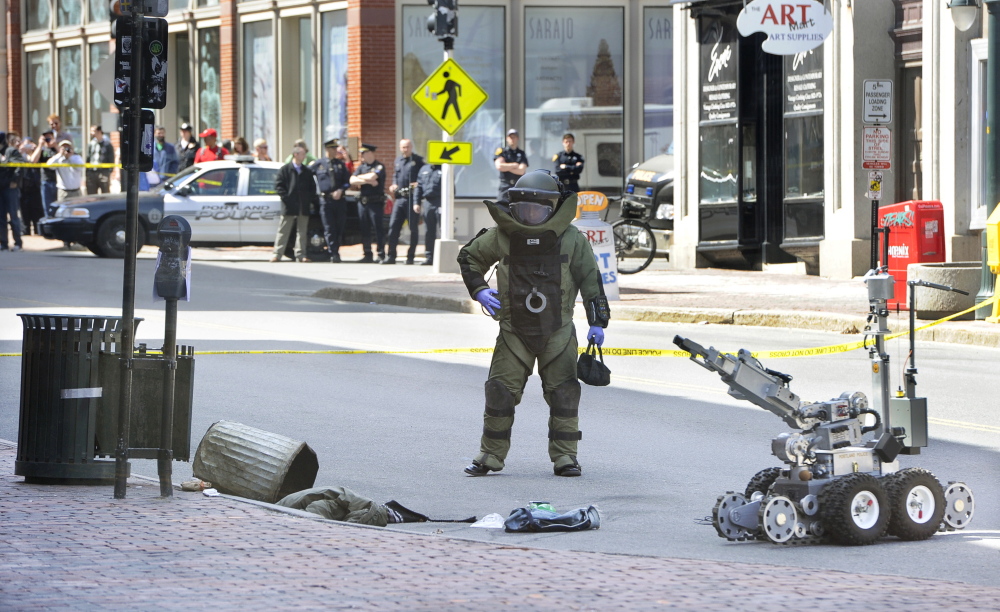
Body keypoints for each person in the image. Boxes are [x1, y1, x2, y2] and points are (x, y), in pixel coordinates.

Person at [458, 170, 609, 478]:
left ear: (552, 208)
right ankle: (490, 455)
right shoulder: (502, 234)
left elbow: (590, 279)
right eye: (524, 210)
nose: (530, 216)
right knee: (499, 392)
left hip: (559, 332)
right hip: (514, 331)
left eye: (537, 210)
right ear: (514, 207)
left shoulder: (571, 239)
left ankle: (566, 457)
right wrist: (481, 290)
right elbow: (469, 258)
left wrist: (598, 321)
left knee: (565, 394)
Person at [270, 145, 317, 263]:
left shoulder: (306, 171)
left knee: (302, 231)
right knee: (284, 230)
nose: (304, 156)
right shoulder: (285, 169)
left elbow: (312, 188)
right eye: (302, 154)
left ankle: (301, 254)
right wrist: (287, 198)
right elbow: (279, 186)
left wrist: (309, 200)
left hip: (303, 205)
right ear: (295, 155)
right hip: (289, 205)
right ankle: (277, 254)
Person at [309, 139, 352, 263]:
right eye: (333, 149)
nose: (335, 151)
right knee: (329, 227)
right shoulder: (319, 164)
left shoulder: (340, 164)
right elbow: (306, 175)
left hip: (339, 201)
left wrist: (341, 190)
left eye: (336, 148)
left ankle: (336, 249)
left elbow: (347, 181)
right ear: (327, 149)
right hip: (325, 200)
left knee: (339, 227)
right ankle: (333, 253)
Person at [385, 139, 425, 265]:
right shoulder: (398, 161)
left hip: (412, 198)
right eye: (402, 147)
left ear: (411, 147)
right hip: (400, 198)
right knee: (393, 227)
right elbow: (395, 176)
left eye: (407, 147)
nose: (405, 149)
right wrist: (393, 185)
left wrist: (419, 183)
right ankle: (391, 256)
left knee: (413, 228)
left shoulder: (418, 160)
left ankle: (410, 257)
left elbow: (424, 176)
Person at [349, 143, 387, 263]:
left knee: (377, 229)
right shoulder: (361, 167)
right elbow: (352, 180)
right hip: (363, 202)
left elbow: (373, 176)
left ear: (370, 153)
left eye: (363, 153)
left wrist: (362, 179)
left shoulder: (379, 166)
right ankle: (367, 254)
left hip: (375, 202)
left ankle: (381, 254)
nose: (361, 156)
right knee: (364, 229)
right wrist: (369, 181)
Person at [0, 132, 25, 252]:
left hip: (10, 188)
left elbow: (20, 164)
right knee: (1, 217)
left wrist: (15, 180)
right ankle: (3, 243)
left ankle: (18, 242)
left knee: (13, 216)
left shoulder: (10, 151)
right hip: (0, 188)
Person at [413, 163, 442, 266]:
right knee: (429, 231)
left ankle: (442, 258)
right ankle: (430, 257)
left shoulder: (445, 168)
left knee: (444, 230)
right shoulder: (424, 168)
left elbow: (451, 188)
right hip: (428, 202)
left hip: (441, 201)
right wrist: (416, 202)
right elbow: (419, 186)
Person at [18, 138, 44, 235]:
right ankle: (26, 230)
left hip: (35, 187)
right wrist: (21, 150)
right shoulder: (20, 155)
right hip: (23, 187)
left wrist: (38, 147)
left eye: (29, 144)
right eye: (26, 145)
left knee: (37, 210)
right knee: (24, 211)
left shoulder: (38, 153)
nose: (28, 147)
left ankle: (38, 230)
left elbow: (33, 160)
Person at [30, 130, 59, 216]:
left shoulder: (57, 148)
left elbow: (65, 156)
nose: (48, 140)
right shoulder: (42, 150)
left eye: (49, 137)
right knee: (47, 208)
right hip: (45, 181)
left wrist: (55, 145)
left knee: (58, 207)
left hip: (58, 182)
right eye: (45, 138)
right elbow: (33, 161)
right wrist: (40, 145)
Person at [494, 128, 528, 200]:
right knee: (501, 209)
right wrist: (514, 165)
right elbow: (499, 166)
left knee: (518, 209)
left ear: (517, 138)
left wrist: (506, 167)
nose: (512, 139)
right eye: (510, 137)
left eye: (514, 137)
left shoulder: (521, 153)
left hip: (518, 186)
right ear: (507, 138)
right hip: (505, 186)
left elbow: (521, 171)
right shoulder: (502, 152)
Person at [85, 125, 115, 195]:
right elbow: (88, 158)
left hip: (103, 172)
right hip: (92, 172)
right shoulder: (91, 144)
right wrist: (87, 171)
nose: (91, 133)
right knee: (91, 194)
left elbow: (111, 159)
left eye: (93, 131)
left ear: (99, 131)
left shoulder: (107, 145)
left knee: (105, 194)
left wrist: (109, 171)